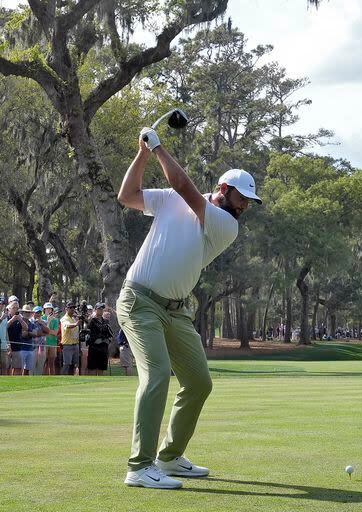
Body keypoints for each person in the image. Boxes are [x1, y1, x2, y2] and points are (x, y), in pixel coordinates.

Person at [117, 125, 260, 489]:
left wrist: (159, 146)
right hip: (139, 301)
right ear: (224, 190)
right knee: (157, 375)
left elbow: (185, 188)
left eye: (248, 201)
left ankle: (169, 457)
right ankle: (139, 466)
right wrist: (143, 153)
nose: (245, 206)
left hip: (176, 310)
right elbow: (127, 195)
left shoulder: (226, 224)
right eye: (242, 197)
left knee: (198, 382)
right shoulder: (170, 199)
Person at [87, 303, 113, 376]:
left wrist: (108, 340)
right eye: (99, 309)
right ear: (95, 310)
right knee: (92, 367)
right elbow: (88, 331)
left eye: (102, 309)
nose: (101, 310)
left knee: (101, 367)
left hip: (103, 347)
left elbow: (109, 334)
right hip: (94, 347)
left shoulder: (106, 321)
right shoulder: (92, 321)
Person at [59, 302, 80, 375]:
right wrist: (76, 324)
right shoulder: (64, 319)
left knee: (76, 364)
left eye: (73, 308)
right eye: (70, 308)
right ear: (66, 309)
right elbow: (67, 325)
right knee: (66, 364)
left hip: (75, 344)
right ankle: (62, 380)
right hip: (67, 345)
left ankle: (74, 380)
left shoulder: (74, 319)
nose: (72, 309)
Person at [42, 303, 59, 375]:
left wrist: (48, 331)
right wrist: (48, 322)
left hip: (52, 343)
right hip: (44, 343)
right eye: (47, 309)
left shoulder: (55, 320)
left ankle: (52, 378)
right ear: (44, 310)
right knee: (44, 363)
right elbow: (44, 331)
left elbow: (55, 333)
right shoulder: (42, 318)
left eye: (50, 309)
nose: (49, 310)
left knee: (51, 363)